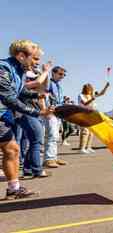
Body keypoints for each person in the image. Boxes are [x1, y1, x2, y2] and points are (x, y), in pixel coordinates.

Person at [0, 40, 54, 199]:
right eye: (35, 58)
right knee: (12, 149)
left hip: (2, 115)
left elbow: (19, 90)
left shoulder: (19, 70)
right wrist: (38, 113)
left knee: (12, 149)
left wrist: (37, 95)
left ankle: (13, 189)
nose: (37, 63)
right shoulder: (3, 69)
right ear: (21, 56)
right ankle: (13, 188)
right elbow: (9, 98)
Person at [43, 66, 67, 168]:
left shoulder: (59, 86)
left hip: (58, 113)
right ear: (53, 73)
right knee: (51, 135)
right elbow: (44, 96)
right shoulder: (48, 83)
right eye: (60, 74)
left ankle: (54, 157)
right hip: (51, 112)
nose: (62, 76)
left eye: (64, 75)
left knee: (56, 136)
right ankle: (48, 159)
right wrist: (47, 110)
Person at [78, 82, 109, 154]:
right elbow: (85, 103)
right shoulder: (81, 95)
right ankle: (82, 148)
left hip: (91, 114)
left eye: (91, 89)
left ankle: (88, 147)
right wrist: (92, 99)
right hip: (83, 114)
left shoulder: (91, 95)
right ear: (85, 89)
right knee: (85, 131)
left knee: (91, 132)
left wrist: (106, 87)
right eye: (89, 89)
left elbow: (102, 93)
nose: (90, 90)